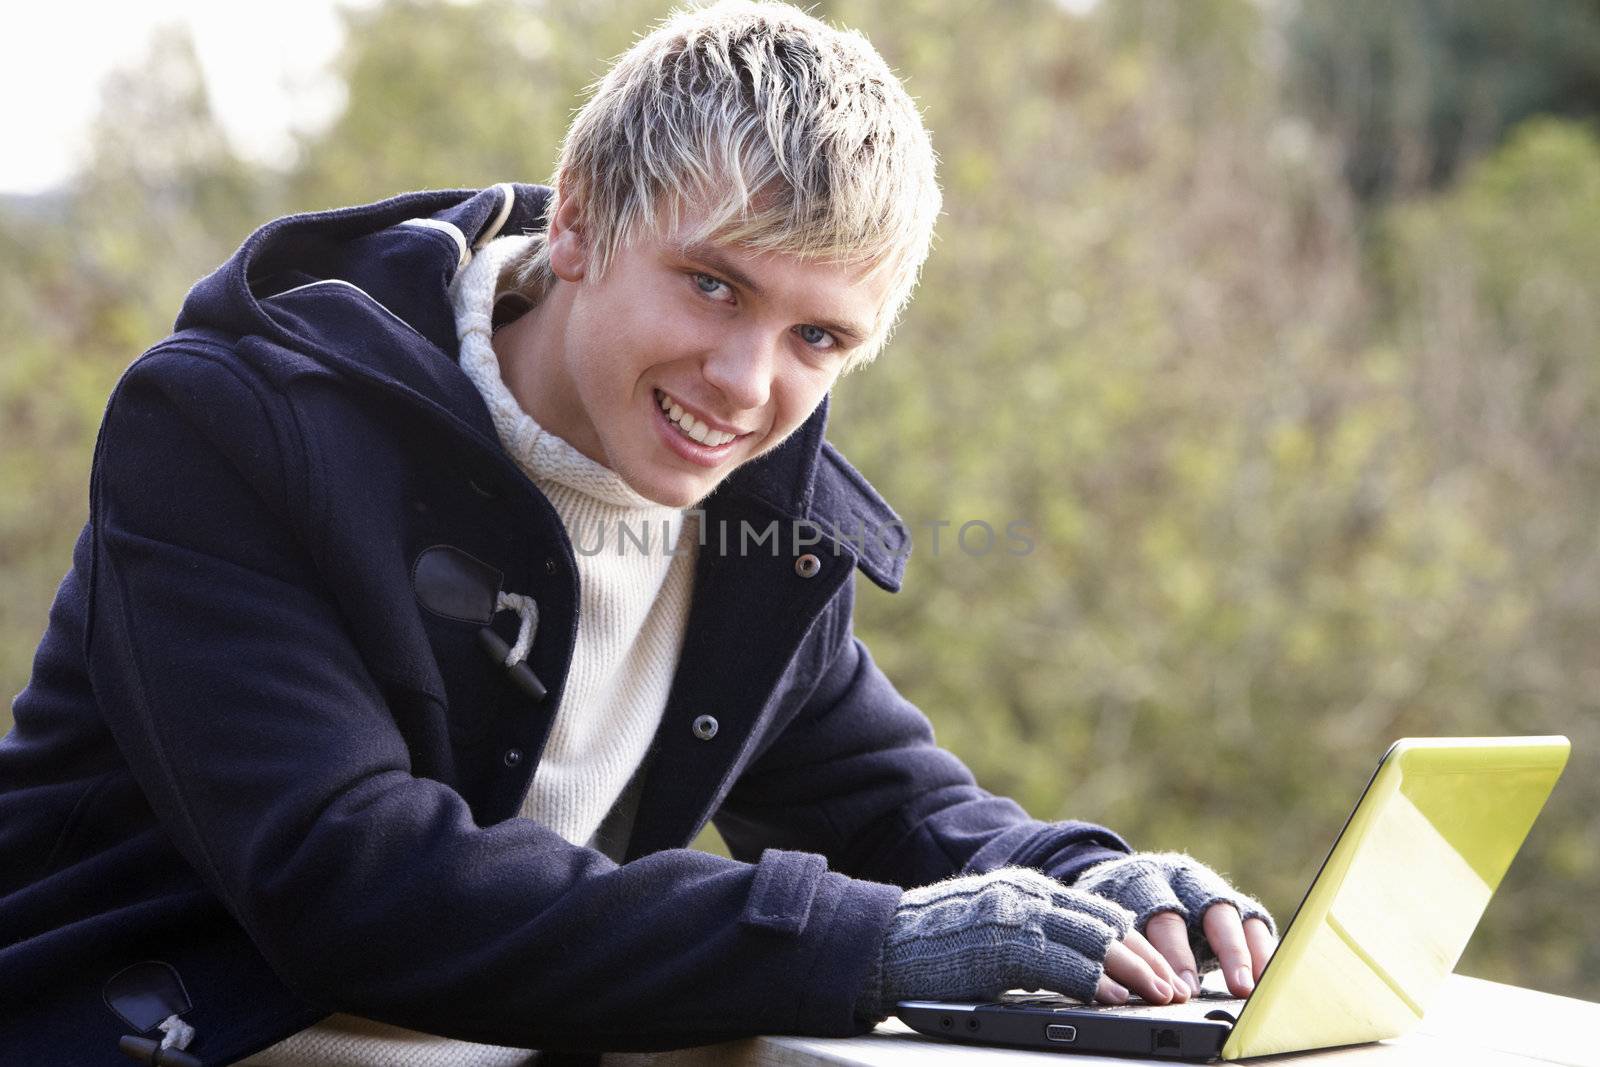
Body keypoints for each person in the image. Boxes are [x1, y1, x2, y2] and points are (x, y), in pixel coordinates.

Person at [0, 3, 1275, 1065]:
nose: (742, 380)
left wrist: (1099, 884)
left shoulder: (754, 522)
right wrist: (862, 938)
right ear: (578, 223)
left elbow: (888, 802)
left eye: (816, 338)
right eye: (714, 283)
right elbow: (350, 879)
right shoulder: (233, 427)